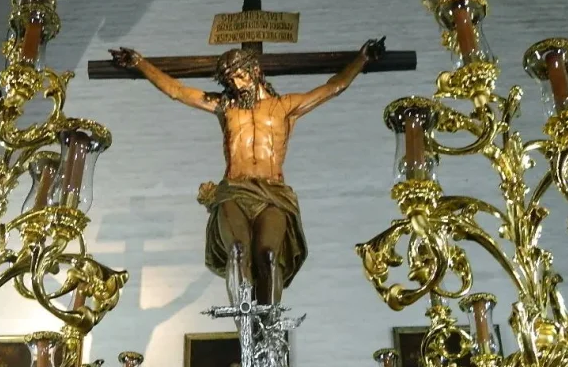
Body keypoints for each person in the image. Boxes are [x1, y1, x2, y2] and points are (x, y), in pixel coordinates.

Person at [110, 38, 386, 306]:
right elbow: (178, 91)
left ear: (255, 72)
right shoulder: (225, 107)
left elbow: (333, 87)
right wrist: (140, 63)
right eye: (229, 80)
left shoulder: (285, 107)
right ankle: (243, 319)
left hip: (273, 192)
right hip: (234, 190)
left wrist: (361, 59)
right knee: (237, 249)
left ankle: (268, 323)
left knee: (267, 255)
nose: (234, 84)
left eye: (239, 76)